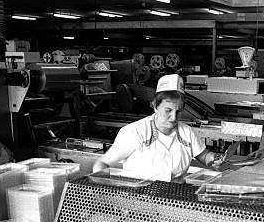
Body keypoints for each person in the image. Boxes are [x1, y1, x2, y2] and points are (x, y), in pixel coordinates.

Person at [93, 74, 222, 181]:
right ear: (155, 106)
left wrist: (214, 159)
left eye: (178, 111)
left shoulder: (186, 132)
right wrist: (103, 189)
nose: (173, 117)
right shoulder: (134, 132)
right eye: (168, 110)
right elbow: (102, 163)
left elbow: (204, 156)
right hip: (137, 200)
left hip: (174, 200)